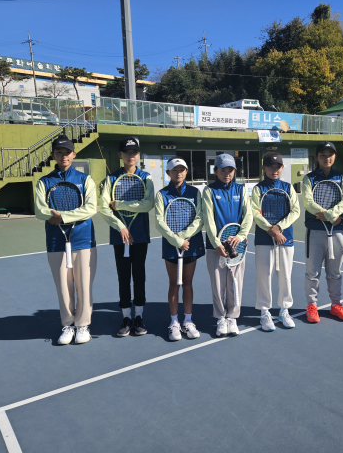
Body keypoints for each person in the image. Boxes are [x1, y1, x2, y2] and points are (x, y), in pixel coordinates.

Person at [34, 135, 97, 345]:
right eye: (59, 152)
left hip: (84, 240)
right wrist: (67, 214)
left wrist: (62, 216)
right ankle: (68, 325)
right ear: (53, 155)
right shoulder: (44, 182)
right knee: (63, 287)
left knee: (84, 286)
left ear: (74, 154)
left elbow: (91, 208)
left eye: (67, 152)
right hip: (56, 242)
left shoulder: (85, 180)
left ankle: (83, 325)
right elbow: (40, 210)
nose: (63, 156)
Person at [99, 136, 154, 337]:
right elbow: (104, 207)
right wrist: (120, 226)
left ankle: (138, 316)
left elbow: (148, 204)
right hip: (120, 237)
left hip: (140, 236)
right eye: (127, 152)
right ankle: (125, 318)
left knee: (139, 277)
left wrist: (120, 204)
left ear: (138, 155)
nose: (131, 156)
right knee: (123, 278)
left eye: (134, 152)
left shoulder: (146, 177)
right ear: (120, 155)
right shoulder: (111, 178)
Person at [154, 157, 205, 341]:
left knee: (188, 283)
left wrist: (183, 237)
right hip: (172, 246)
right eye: (175, 170)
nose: (179, 173)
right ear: (168, 173)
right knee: (174, 284)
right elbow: (159, 221)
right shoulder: (162, 194)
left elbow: (200, 217)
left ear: (186, 172)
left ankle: (188, 321)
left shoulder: (194, 192)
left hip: (190, 244)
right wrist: (176, 240)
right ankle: (174, 322)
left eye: (182, 170)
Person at [202, 153, 253, 337]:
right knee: (218, 285)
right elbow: (208, 219)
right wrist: (216, 243)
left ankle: (232, 317)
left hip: (237, 246)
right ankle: (220, 318)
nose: (227, 174)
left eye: (230, 170)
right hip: (215, 247)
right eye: (223, 170)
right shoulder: (209, 191)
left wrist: (240, 236)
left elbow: (248, 215)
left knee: (235, 284)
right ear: (216, 171)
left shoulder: (241, 190)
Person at [302, 141, 343, 323]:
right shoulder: (308, 179)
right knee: (312, 272)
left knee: (335, 272)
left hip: (336, 231)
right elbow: (308, 202)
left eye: (330, 154)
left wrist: (330, 215)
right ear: (316, 157)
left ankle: (336, 305)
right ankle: (311, 306)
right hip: (315, 232)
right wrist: (329, 215)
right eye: (322, 155)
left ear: (335, 156)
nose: (327, 158)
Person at [251, 153, 301, 331]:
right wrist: (271, 230)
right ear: (264, 168)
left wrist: (278, 228)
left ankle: (284, 310)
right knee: (264, 276)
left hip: (285, 239)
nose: (275, 170)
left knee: (286, 276)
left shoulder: (288, 187)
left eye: (278, 167)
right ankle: (265, 311)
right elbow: (255, 213)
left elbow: (295, 211)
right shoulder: (258, 189)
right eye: (271, 167)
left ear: (282, 168)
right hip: (264, 240)